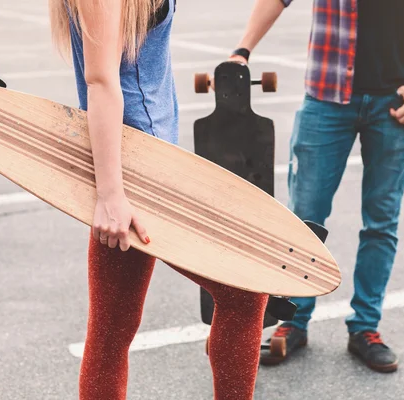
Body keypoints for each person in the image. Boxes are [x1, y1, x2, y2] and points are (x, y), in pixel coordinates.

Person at [227, 0, 404, 372]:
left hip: (397, 102)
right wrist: (241, 50)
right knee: (304, 218)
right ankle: (293, 320)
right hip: (327, 96)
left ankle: (365, 328)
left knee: (381, 222)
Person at [48, 1, 268, 398]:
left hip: (149, 160)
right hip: (141, 176)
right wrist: (112, 194)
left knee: (112, 331)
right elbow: (100, 80)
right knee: (246, 291)